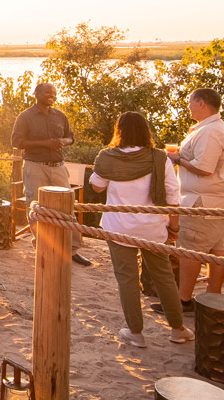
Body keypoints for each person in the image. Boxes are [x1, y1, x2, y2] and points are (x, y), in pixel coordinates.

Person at [89, 111, 189, 346]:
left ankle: (135, 333)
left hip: (118, 227)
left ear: (119, 131)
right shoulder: (159, 158)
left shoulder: (107, 157)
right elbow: (173, 195)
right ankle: (177, 328)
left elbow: (97, 187)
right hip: (152, 228)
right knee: (164, 278)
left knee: (127, 279)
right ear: (146, 131)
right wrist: (174, 227)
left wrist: (109, 171)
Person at [167, 87, 224, 303]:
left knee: (191, 249)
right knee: (217, 250)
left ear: (202, 103)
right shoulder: (212, 128)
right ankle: (212, 297)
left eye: (191, 101)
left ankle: (184, 299)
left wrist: (177, 159)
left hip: (203, 201)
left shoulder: (211, 132)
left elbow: (205, 168)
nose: (188, 106)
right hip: (217, 199)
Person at [12, 83, 91, 265]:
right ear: (36, 93)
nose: (52, 95)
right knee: (35, 206)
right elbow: (17, 142)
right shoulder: (25, 117)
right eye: (48, 92)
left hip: (58, 166)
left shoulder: (60, 116)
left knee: (67, 206)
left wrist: (62, 141)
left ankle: (72, 250)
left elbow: (70, 137)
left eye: (54, 93)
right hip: (34, 165)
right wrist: (45, 143)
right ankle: (43, 247)